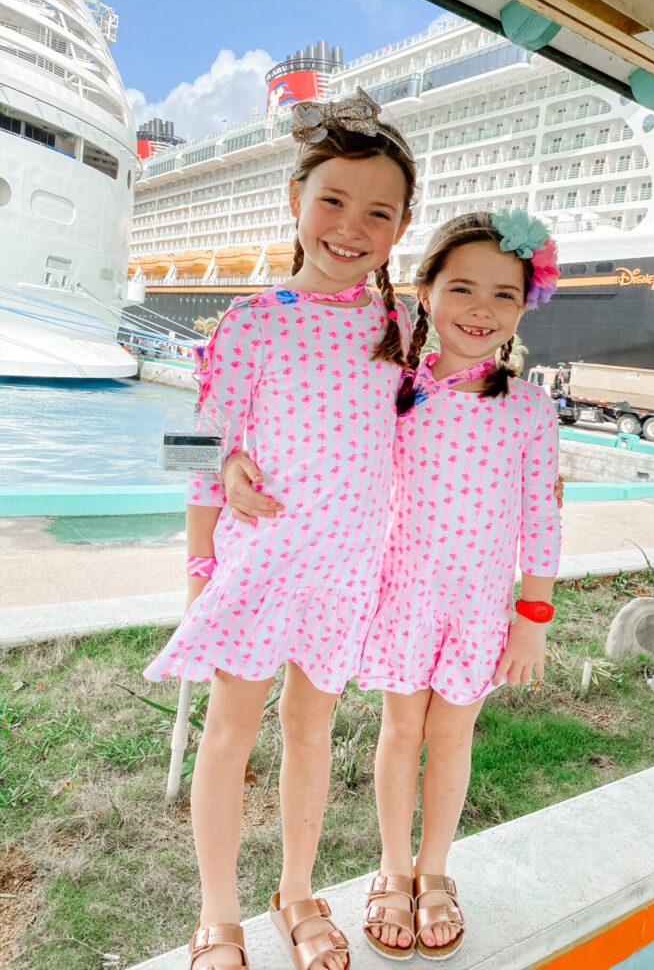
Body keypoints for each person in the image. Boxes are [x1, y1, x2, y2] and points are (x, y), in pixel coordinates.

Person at [144, 87, 415, 970]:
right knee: (230, 730)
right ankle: (216, 914)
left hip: (345, 575)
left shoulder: (399, 327)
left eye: (379, 211)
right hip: (261, 566)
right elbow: (199, 443)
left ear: (401, 228)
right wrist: (199, 551)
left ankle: (297, 888)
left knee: (313, 731)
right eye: (332, 200)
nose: (351, 225)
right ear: (294, 204)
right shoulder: (253, 321)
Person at [355, 210, 562, 960]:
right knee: (400, 731)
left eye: (503, 295)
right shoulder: (391, 391)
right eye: (463, 288)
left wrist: (530, 617)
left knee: (451, 737)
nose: (481, 310)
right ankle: (391, 866)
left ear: (523, 307)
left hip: (478, 609)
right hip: (404, 597)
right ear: (427, 292)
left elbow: (541, 519)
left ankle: (434, 869)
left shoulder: (530, 409)